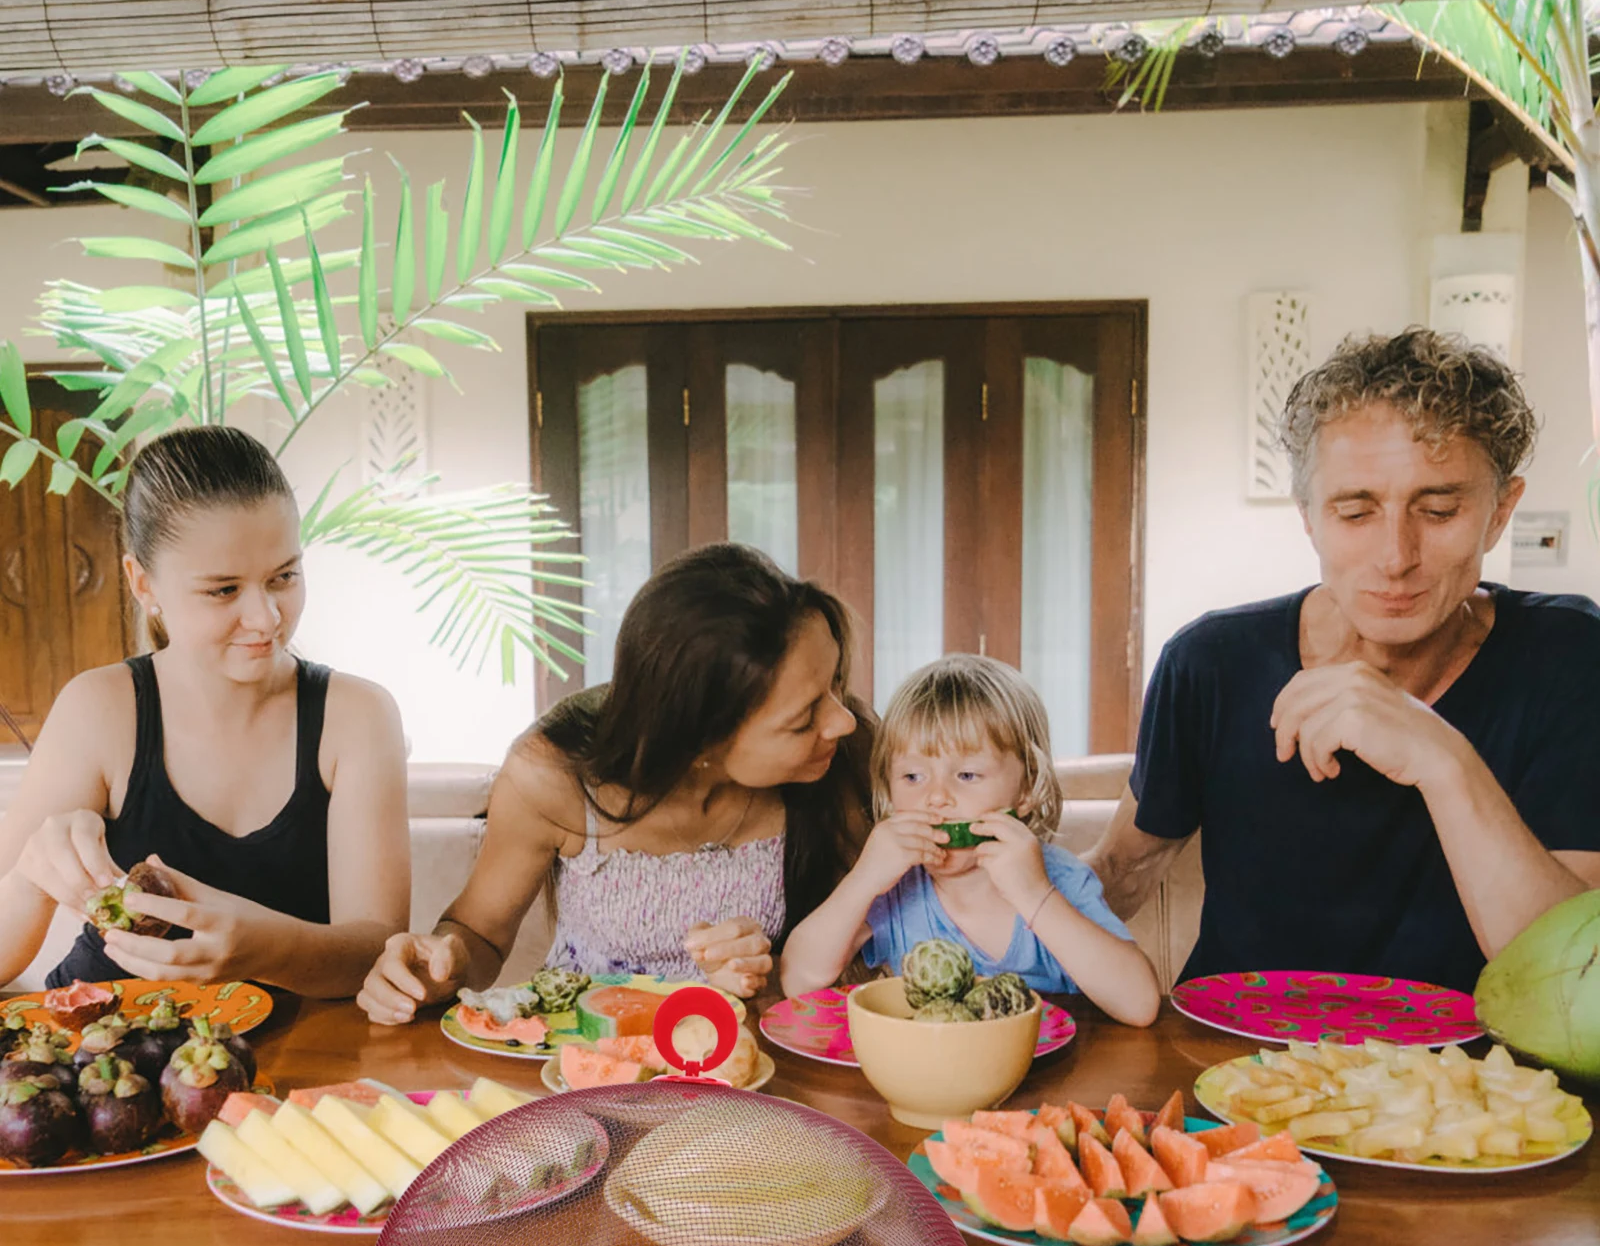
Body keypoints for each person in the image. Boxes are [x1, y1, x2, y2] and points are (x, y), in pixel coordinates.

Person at [1086, 328, 1600, 993]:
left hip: (1468, 1084)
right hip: (1231, 1070)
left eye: (1438, 509)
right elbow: (1124, 872)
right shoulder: (1210, 664)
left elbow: (1570, 982)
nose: (1396, 556)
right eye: (1355, 512)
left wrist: (1441, 760)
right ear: (1308, 518)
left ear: (1499, 512)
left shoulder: (1570, 658)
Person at [357, 543, 871, 1024]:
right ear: (699, 739)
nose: (842, 720)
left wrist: (776, 978)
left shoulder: (843, 759)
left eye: (836, 684)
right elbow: (479, 933)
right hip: (584, 1068)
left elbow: (881, 952)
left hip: (756, 1074)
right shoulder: (554, 774)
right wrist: (439, 967)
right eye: (803, 718)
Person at [0, 426, 411, 996]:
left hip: (302, 1058)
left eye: (283, 577)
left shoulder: (356, 717)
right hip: (104, 1050)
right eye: (223, 590)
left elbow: (378, 950)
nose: (267, 618)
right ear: (143, 583)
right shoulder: (99, 709)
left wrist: (260, 949)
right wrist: (29, 877)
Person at [781, 654, 1160, 1025]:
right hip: (932, 1082)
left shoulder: (1059, 880)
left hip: (1055, 1080)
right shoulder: (894, 889)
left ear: (1027, 788)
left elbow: (1140, 1005)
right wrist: (862, 880)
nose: (936, 797)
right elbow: (799, 980)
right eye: (912, 777)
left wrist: (1035, 896)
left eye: (966, 775)